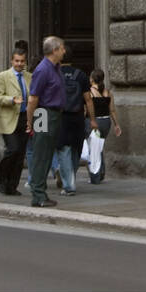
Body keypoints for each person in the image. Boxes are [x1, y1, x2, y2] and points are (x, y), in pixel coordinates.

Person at [26, 36, 67, 207]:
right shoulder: (43, 69)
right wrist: (30, 121)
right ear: (54, 50)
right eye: (62, 48)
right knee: (41, 154)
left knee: (48, 153)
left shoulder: (55, 68)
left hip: (53, 114)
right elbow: (33, 98)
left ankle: (41, 192)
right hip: (43, 113)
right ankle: (38, 195)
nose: (64, 51)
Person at [0, 47, 32, 196]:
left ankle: (12, 186)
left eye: (22, 61)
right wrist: (11, 100)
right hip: (8, 119)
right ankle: (2, 177)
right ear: (12, 61)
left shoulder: (29, 76)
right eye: (17, 61)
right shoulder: (3, 76)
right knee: (13, 149)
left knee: (20, 154)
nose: (19, 64)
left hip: (24, 118)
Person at [54, 59, 93, 195]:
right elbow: (88, 100)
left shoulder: (54, 74)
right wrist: (92, 119)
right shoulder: (81, 75)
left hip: (60, 117)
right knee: (76, 149)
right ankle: (70, 177)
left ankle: (68, 185)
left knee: (64, 150)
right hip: (77, 118)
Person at [86, 69, 120, 185]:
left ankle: (95, 176)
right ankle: (101, 172)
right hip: (106, 122)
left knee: (93, 150)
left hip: (95, 122)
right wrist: (116, 124)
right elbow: (112, 110)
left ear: (91, 79)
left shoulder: (89, 92)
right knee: (99, 148)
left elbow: (87, 109)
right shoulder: (108, 92)